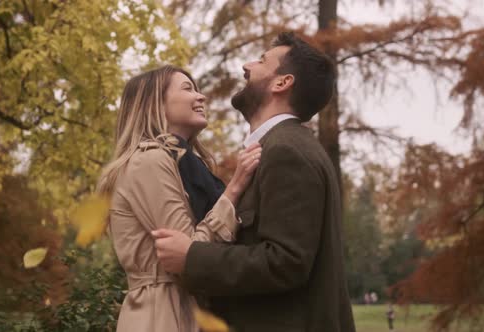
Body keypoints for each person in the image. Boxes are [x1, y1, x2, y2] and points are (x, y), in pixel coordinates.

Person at [153, 32, 356, 332]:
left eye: (261, 60)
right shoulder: (277, 148)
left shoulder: (287, 151)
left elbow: (286, 261)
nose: (246, 66)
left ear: (281, 83)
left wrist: (193, 258)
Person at [96, 65, 262, 332]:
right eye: (187, 88)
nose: (201, 97)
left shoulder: (184, 165)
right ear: (155, 103)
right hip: (162, 315)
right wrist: (234, 189)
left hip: (184, 309)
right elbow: (189, 257)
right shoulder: (149, 161)